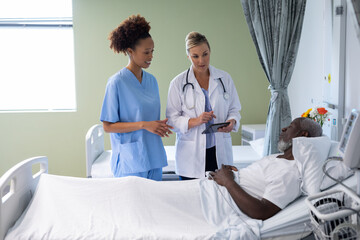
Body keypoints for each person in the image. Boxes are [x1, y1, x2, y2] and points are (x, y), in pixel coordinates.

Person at [100, 15, 172, 180]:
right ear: (130, 51)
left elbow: (150, 119)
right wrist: (144, 125)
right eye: (146, 52)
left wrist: (159, 126)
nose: (151, 56)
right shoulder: (116, 83)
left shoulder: (152, 81)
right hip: (130, 160)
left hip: (154, 158)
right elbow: (108, 126)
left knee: (153, 205)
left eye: (152, 51)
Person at [209, 117, 323, 220]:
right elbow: (257, 180)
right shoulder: (276, 157)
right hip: (214, 188)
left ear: (303, 135)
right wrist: (234, 174)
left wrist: (228, 181)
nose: (283, 129)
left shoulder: (290, 172)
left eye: (290, 127)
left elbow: (261, 212)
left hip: (217, 200)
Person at [166, 32, 241, 180]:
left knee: (220, 200)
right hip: (190, 157)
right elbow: (171, 120)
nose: (201, 60)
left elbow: (234, 109)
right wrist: (195, 121)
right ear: (188, 56)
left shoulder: (224, 78)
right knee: (191, 201)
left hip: (219, 153)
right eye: (195, 56)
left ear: (210, 51)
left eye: (205, 54)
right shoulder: (178, 83)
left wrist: (232, 122)